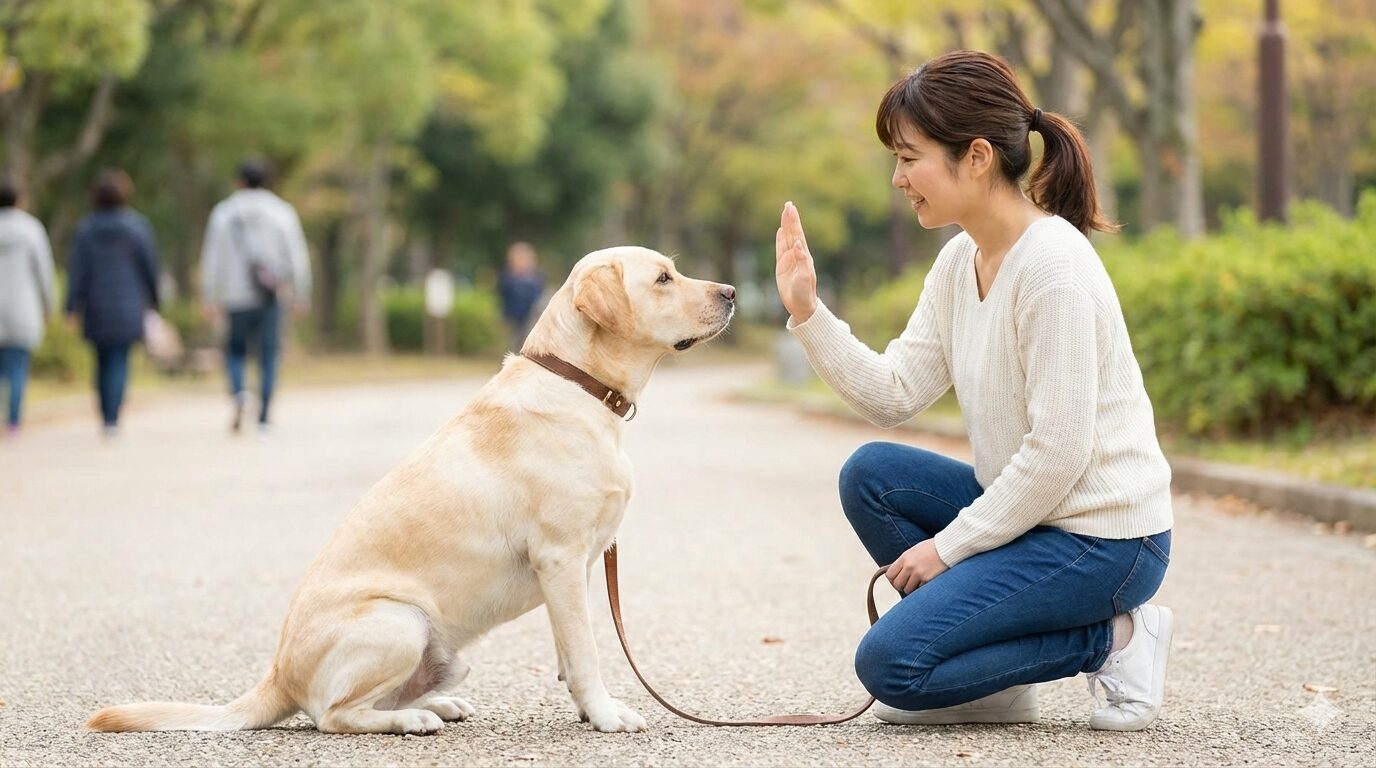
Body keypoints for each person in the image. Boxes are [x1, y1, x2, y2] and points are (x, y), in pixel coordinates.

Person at [774, 51, 1174, 731]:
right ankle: (996, 687)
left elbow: (1059, 453)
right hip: (1031, 518)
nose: (898, 178)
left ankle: (1117, 640)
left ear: (978, 156)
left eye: (909, 157)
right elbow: (895, 393)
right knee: (871, 475)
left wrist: (948, 547)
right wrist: (809, 314)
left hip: (1104, 541)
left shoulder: (1053, 269)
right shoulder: (961, 259)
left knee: (892, 666)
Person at [199, 160, 310, 433]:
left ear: (239, 181)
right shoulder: (282, 212)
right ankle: (263, 419)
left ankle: (239, 393)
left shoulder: (223, 213)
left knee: (235, 350)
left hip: (235, 296)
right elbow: (297, 256)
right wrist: (300, 292)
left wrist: (209, 295)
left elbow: (212, 258)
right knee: (268, 355)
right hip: (270, 295)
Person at [65, 169, 160, 437]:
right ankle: (113, 418)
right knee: (120, 359)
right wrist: (155, 300)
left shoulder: (86, 230)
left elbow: (77, 272)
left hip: (95, 304)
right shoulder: (137, 227)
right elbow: (149, 267)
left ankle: (105, 413)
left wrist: (71, 306)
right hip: (129, 303)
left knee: (101, 360)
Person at [0, 177, 56, 437]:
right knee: (17, 366)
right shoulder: (32, 230)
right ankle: (12, 421)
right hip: (22, 307)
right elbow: (44, 272)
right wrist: (49, 306)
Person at [497, 241, 545, 353]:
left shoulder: (536, 277)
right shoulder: (507, 277)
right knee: (513, 342)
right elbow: (503, 293)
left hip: (531, 316)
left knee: (527, 341)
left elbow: (539, 294)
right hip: (512, 316)